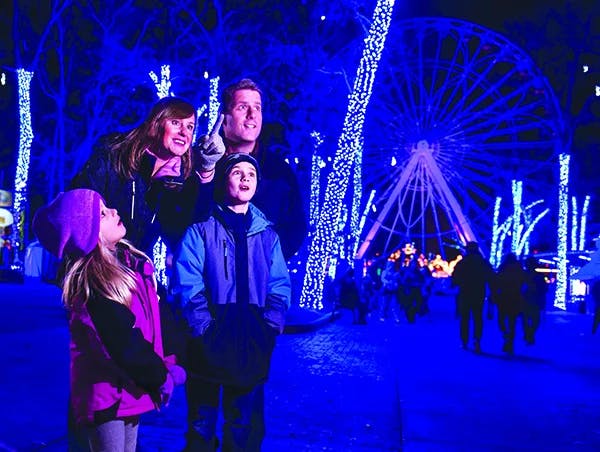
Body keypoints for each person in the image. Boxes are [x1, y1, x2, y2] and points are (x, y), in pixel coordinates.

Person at [32, 189, 186, 451]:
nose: (113, 211)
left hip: (130, 388)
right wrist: (159, 377)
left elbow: (152, 325)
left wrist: (166, 362)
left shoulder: (130, 266)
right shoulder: (96, 284)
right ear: (88, 233)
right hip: (107, 396)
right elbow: (122, 342)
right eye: (102, 214)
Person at [173, 153, 291, 451]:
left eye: (251, 173)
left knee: (241, 424)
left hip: (251, 342)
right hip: (207, 343)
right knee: (201, 424)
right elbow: (188, 281)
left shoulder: (268, 236)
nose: (245, 178)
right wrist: (201, 327)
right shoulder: (201, 229)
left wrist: (269, 326)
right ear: (223, 180)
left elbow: (279, 284)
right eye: (236, 172)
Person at [177, 78, 307, 261]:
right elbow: (180, 222)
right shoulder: (196, 163)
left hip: (261, 280)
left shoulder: (279, 171)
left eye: (257, 108)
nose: (252, 114)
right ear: (224, 119)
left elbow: (296, 227)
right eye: (242, 107)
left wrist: (265, 261)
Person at [70, 96, 199, 255]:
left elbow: (180, 232)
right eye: (175, 123)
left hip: (135, 271)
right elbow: (81, 207)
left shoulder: (180, 179)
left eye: (190, 127)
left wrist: (205, 173)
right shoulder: (114, 155)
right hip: (96, 263)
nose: (184, 133)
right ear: (156, 123)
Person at [451, 242, 495, 353]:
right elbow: (491, 277)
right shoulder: (483, 262)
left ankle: (464, 341)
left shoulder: (462, 263)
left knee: (464, 319)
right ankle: (477, 340)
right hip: (479, 293)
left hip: (465, 293)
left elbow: (455, 278)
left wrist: (459, 284)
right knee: (478, 318)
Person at [495, 253, 527, 354]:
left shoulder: (502, 267)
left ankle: (505, 335)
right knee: (512, 321)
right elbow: (523, 281)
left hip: (503, 297)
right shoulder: (519, 268)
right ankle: (510, 342)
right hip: (515, 297)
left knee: (501, 319)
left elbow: (497, 281)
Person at [522, 256, 547, 344]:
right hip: (535, 301)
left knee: (526, 319)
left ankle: (528, 334)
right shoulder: (539, 275)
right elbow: (544, 288)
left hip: (526, 300)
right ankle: (530, 334)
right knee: (535, 320)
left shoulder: (524, 275)